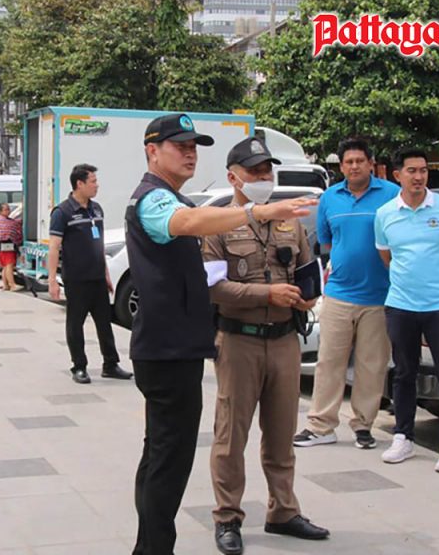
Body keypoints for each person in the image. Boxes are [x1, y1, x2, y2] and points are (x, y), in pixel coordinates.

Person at [126, 113, 317, 555]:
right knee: (169, 463)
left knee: (160, 457)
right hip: (169, 349)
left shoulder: (172, 197)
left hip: (180, 347)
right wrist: (256, 211)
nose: (190, 153)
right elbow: (188, 224)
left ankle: (149, 546)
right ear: (152, 151)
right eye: (180, 146)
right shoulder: (153, 199)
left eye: (194, 146)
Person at [203, 136, 330, 555]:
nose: (263, 179)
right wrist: (267, 294)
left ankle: (283, 511)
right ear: (233, 178)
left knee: (281, 434)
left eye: (267, 171)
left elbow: (307, 271)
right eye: (255, 172)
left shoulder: (290, 223)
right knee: (230, 436)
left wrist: (308, 296)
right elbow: (214, 288)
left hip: (284, 340)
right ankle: (227, 517)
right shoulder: (216, 224)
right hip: (238, 341)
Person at [294, 139, 399, 450]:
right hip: (339, 293)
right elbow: (327, 243)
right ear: (341, 166)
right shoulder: (329, 198)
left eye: (359, 161)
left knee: (372, 365)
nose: (354, 166)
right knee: (329, 362)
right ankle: (321, 426)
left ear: (371, 163)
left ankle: (363, 426)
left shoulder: (391, 195)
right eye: (348, 162)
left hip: (380, 296)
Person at [374, 147, 439, 474]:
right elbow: (387, 257)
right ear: (397, 175)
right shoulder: (385, 214)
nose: (418, 177)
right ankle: (403, 436)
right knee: (403, 372)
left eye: (423, 170)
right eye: (412, 171)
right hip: (401, 305)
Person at [48, 163, 132, 384]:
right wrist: (52, 281)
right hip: (76, 279)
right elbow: (54, 247)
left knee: (104, 323)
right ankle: (79, 366)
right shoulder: (62, 212)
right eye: (93, 181)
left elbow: (99, 244)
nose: (97, 185)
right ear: (80, 184)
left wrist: (106, 274)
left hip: (97, 278)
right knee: (75, 324)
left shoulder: (96, 209)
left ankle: (110, 364)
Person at [0, 202, 23, 291]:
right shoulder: (3, 220)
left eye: (9, 209)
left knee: (5, 266)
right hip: (6, 245)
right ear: (0, 211)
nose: (8, 211)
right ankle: (12, 285)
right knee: (9, 265)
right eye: (6, 210)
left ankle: (6, 285)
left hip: (2, 246)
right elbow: (13, 225)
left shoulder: (2, 220)